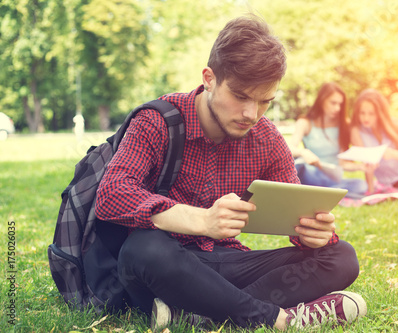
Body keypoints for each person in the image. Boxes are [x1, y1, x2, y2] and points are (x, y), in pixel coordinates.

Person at [94, 15, 366, 331]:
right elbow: (111, 194)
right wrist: (202, 220)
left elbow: (296, 212)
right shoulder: (156, 121)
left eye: (265, 101)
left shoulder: (267, 138)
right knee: (145, 248)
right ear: (209, 78)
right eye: (240, 96)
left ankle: (208, 319)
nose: (251, 114)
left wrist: (316, 234)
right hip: (165, 267)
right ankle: (276, 320)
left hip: (227, 264)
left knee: (341, 256)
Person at [288, 82, 368, 198]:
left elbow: (343, 164)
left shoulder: (344, 125)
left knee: (361, 185)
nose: (337, 108)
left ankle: (321, 192)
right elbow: (288, 149)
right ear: (322, 100)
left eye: (340, 104)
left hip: (332, 177)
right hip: (311, 174)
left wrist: (360, 167)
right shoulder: (305, 123)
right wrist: (303, 152)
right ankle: (331, 193)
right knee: (299, 167)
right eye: (333, 103)